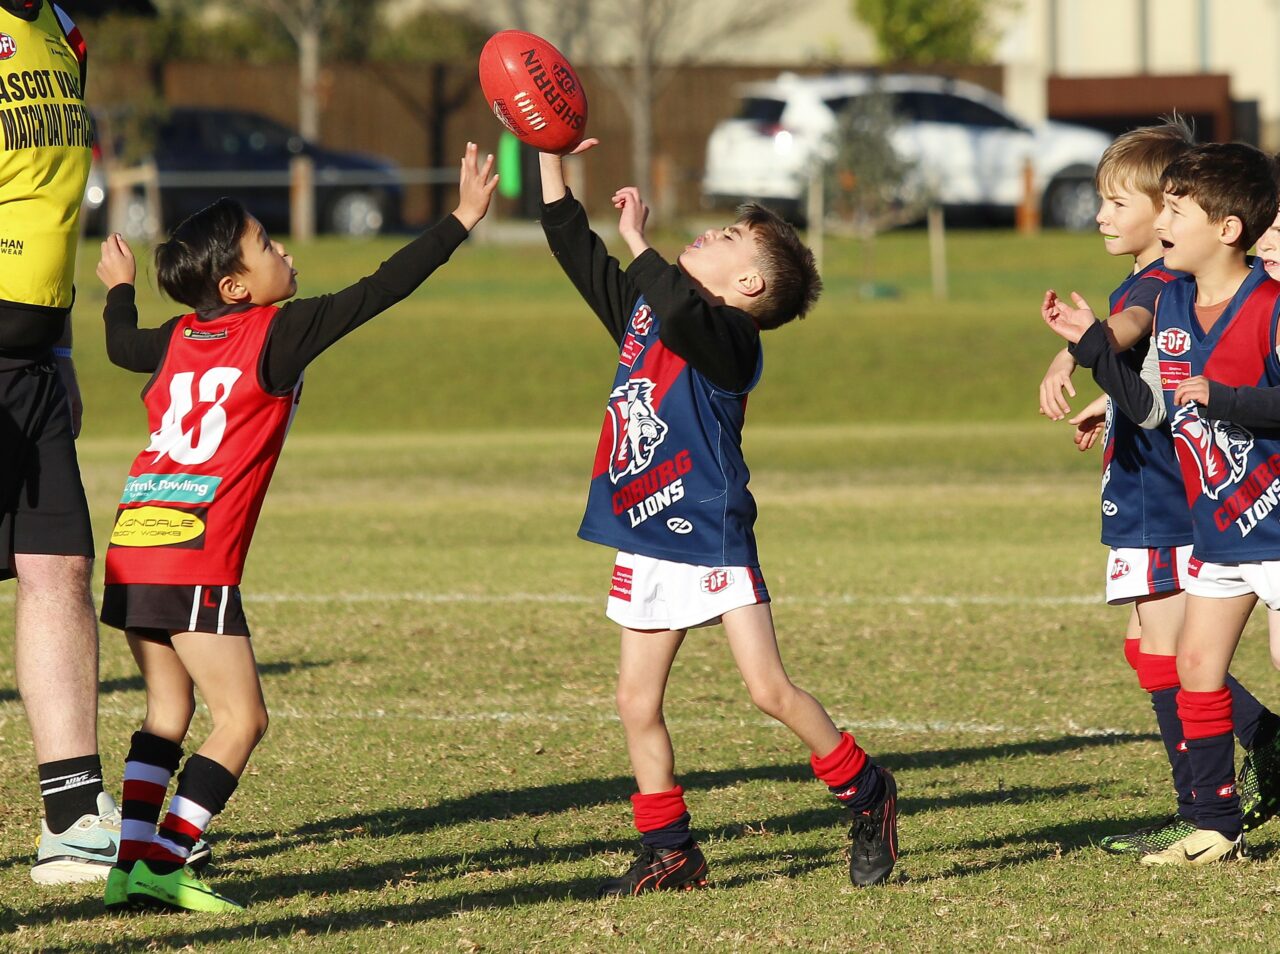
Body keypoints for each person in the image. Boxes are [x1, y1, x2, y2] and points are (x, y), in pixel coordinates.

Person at [94, 143, 498, 911]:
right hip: (192, 555)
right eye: (266, 244)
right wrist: (461, 218)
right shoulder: (276, 333)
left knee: (167, 714)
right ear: (236, 286)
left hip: (135, 541)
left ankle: (130, 863)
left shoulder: (176, 338)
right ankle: (165, 862)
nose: (283, 249)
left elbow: (120, 346)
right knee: (243, 719)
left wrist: (119, 289)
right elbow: (382, 289)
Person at [538, 141, 897, 895]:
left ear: (748, 284)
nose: (709, 233)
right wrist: (550, 155)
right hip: (645, 530)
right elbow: (574, 248)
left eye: (729, 237)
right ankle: (672, 851)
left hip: (711, 531)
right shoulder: (647, 311)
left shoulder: (734, 340)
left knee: (769, 691)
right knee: (635, 701)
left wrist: (639, 241)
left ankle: (869, 794)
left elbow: (678, 307)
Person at [1037, 123, 1280, 857]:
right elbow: (1152, 403)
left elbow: (1212, 391)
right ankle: (1212, 825)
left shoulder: (1255, 302)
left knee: (1216, 663)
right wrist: (1089, 354)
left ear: (1225, 229)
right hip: (1213, 528)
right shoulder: (1174, 301)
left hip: (1250, 519)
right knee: (1188, 666)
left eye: (1174, 210)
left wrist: (1224, 398)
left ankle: (1244, 776)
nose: (1161, 222)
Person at [0, 0, 120, 884]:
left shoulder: (64, 31)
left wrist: (65, 348)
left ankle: (73, 818)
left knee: (60, 565)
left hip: (33, 355)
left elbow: (57, 205)